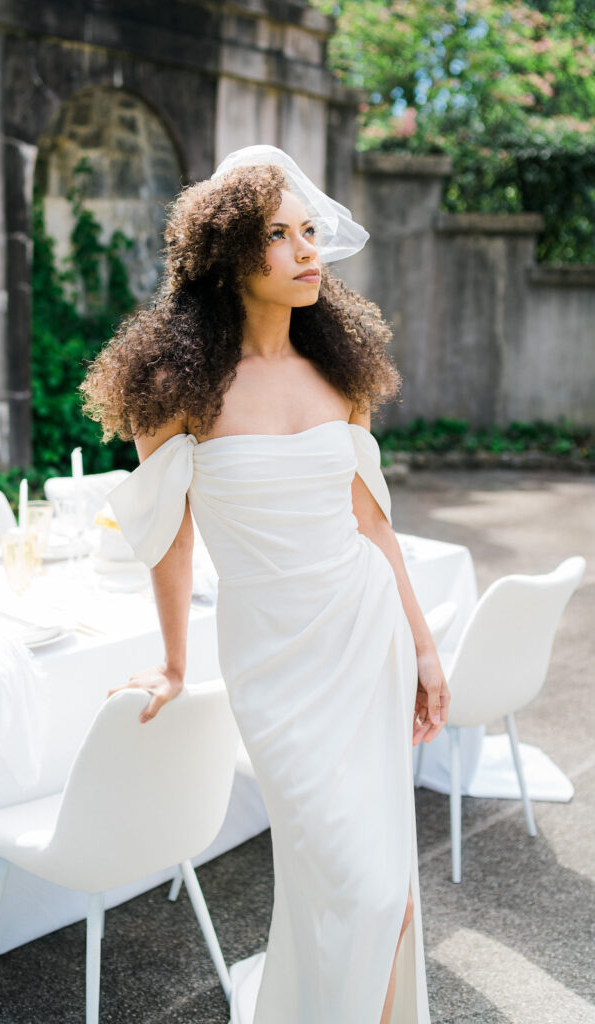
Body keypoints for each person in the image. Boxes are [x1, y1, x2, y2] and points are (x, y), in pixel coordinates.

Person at [80, 145, 449, 1024]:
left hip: (367, 641)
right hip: (275, 664)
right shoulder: (175, 388)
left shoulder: (342, 375)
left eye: (310, 231)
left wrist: (426, 651)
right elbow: (168, 539)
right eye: (279, 236)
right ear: (230, 256)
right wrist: (173, 665)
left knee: (381, 894)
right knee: (354, 884)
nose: (307, 250)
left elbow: (373, 524)